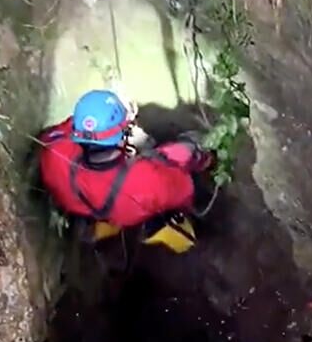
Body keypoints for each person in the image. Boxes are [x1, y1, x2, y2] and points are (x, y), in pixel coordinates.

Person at [36, 89, 214, 254]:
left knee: (106, 210)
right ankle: (185, 246)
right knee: (179, 218)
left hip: (82, 204)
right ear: (122, 138)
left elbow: (66, 129)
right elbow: (183, 190)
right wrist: (192, 153)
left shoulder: (54, 153)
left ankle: (95, 231)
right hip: (128, 210)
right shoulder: (146, 182)